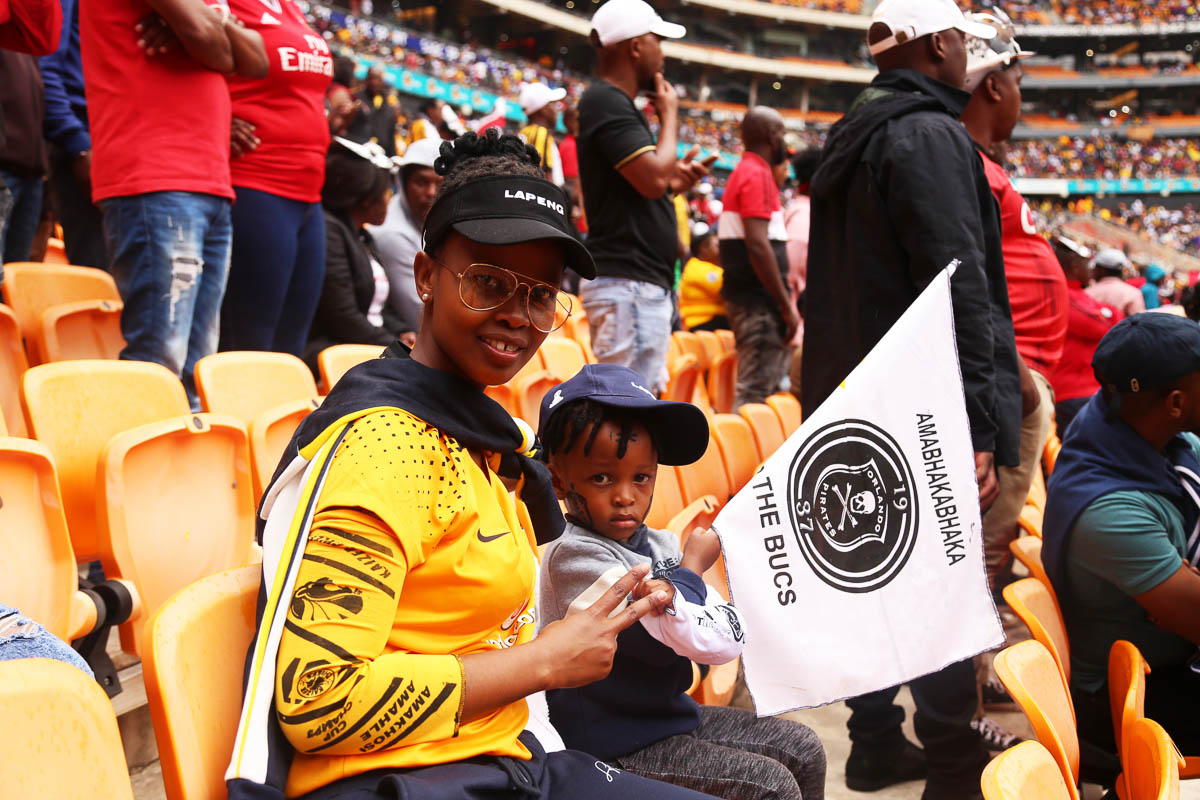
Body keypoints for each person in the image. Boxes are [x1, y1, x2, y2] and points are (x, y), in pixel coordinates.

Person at [225, 129, 722, 800]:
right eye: (489, 282)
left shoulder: (487, 442)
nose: (518, 316)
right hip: (399, 781)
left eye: (541, 294)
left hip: (505, 760)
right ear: (427, 276)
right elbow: (318, 700)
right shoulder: (385, 447)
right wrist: (543, 661)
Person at [801, 0, 1021, 796]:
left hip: (853, 386)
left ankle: (876, 742)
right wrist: (980, 424)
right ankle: (954, 768)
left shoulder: (852, 130)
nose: (972, 58)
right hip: (917, 397)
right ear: (940, 45)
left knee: (872, 579)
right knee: (932, 585)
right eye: (964, 41)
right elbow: (959, 286)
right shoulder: (928, 134)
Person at [538, 364, 828, 799]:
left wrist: (689, 587)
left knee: (804, 749)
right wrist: (690, 571)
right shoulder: (573, 555)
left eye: (641, 477)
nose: (625, 495)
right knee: (771, 787)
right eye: (602, 478)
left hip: (667, 717)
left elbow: (712, 637)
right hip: (610, 743)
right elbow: (653, 639)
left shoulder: (659, 542)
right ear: (559, 479)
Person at [80, 0, 267, 405]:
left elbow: (257, 61)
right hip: (155, 176)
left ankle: (173, 468)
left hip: (208, 181)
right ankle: (133, 466)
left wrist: (205, 25)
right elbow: (216, 49)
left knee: (196, 369)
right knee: (159, 359)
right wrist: (210, 32)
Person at [1043, 312, 1200, 758]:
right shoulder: (1111, 512)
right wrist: (1181, 595)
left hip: (1165, 658)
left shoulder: (1133, 425)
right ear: (1175, 403)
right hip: (1129, 700)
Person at [577, 0, 708, 393]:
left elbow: (648, 186)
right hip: (627, 284)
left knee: (636, 409)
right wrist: (669, 116)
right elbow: (651, 180)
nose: (662, 53)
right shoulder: (606, 100)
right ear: (635, 47)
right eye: (657, 42)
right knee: (628, 413)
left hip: (634, 285)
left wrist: (674, 183)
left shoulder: (613, 103)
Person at [218, 0, 332, 356]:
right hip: (256, 182)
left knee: (289, 347)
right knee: (250, 344)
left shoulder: (289, 7)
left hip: (309, 196)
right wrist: (217, 117)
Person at [304, 140, 411, 372]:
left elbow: (381, 307)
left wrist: (403, 332)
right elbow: (342, 316)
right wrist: (397, 348)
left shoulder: (363, 236)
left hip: (371, 346)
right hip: (334, 352)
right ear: (364, 198)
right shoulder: (330, 231)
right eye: (386, 192)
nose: (389, 200)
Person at [717, 106, 795, 407]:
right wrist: (785, 305)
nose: (784, 143)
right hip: (759, 303)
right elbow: (759, 246)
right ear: (772, 136)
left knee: (759, 392)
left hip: (752, 300)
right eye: (783, 135)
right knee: (754, 397)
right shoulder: (757, 173)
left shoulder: (746, 170)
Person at [39, 0, 106, 268]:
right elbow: (46, 67)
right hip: (86, 148)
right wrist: (78, 144)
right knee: (99, 282)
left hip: (130, 146)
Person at [370, 136, 444, 334]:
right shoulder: (393, 234)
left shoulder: (428, 224)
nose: (430, 192)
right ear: (403, 183)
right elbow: (420, 316)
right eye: (421, 182)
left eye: (440, 184)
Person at [1049, 235, 1119, 438]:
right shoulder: (1065, 295)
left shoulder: (1074, 294)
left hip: (1076, 392)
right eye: (1086, 263)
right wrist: (1108, 314)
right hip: (1075, 393)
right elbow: (1105, 326)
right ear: (1073, 265)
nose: (1091, 269)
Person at [0, 47, 48, 263]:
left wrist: (48, 209)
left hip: (30, 173)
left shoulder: (24, 39)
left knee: (16, 281)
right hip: (6, 167)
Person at [519, 82, 567, 186]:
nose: (556, 109)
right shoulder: (541, 133)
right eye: (553, 104)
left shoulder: (524, 132)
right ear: (544, 109)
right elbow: (543, 177)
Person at [678, 228, 727, 331]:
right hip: (700, 322)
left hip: (713, 320)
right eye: (717, 246)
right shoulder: (697, 268)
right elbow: (727, 288)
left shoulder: (712, 267)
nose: (722, 249)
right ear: (704, 248)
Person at [346, 65, 399, 156]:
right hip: (355, 152)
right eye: (371, 78)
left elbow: (391, 138)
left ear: (382, 81)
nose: (374, 82)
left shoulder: (389, 106)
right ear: (366, 79)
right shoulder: (355, 99)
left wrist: (393, 157)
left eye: (377, 79)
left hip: (380, 157)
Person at [1086, 248, 1145, 317]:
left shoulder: (1090, 291)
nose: (1093, 271)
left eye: (1095, 268)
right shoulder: (1134, 294)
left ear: (1102, 270)